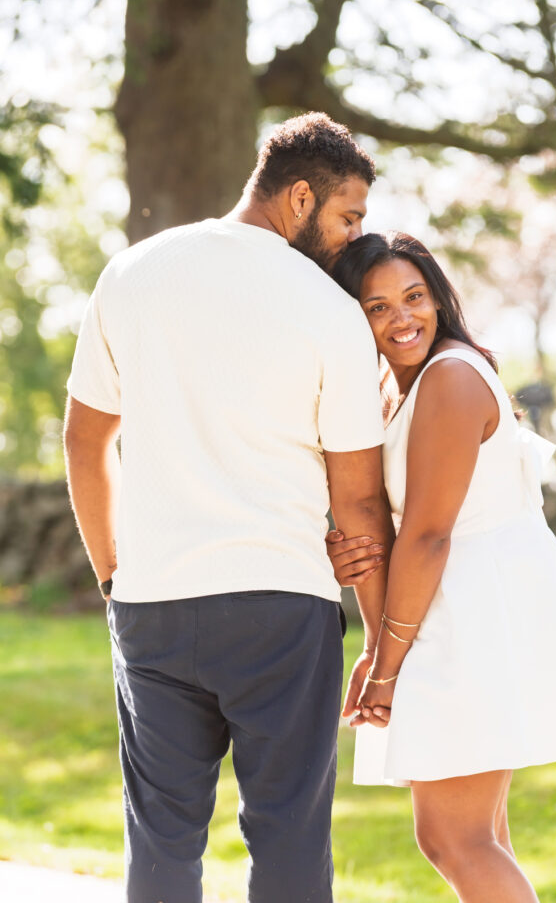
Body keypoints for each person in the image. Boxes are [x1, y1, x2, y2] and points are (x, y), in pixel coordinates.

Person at [63, 113, 395, 903]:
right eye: (348, 217)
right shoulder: (329, 311)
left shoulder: (133, 271)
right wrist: (382, 639)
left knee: (162, 840)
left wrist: (114, 573)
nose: (352, 238)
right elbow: (356, 498)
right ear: (300, 196)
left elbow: (85, 441)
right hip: (282, 607)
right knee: (287, 833)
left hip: (153, 605)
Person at [329, 231, 556, 903]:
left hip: (470, 606)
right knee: (478, 836)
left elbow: (430, 533)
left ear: (438, 300)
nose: (400, 317)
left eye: (413, 297)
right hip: (458, 602)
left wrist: (385, 661)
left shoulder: (448, 376)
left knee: (454, 838)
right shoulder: (401, 388)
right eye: (376, 307)